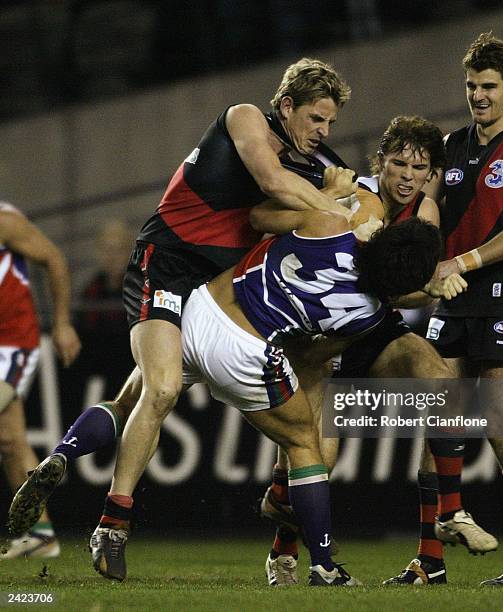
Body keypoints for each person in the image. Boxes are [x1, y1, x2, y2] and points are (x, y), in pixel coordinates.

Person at [8, 59, 356, 539]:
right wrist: (336, 203)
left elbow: (271, 212)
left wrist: (340, 197)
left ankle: (61, 457)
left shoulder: (309, 164)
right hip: (164, 263)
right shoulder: (245, 117)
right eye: (316, 118)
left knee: (135, 401)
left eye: (331, 122)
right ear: (287, 105)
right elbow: (273, 181)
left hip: (208, 291)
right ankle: (113, 524)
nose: (323, 130)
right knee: (164, 389)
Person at [90, 207, 442, 583]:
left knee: (140, 400)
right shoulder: (367, 316)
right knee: (305, 443)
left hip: (201, 308)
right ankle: (322, 565)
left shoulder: (330, 223)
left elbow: (258, 217)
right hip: (244, 348)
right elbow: (310, 356)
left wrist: (331, 200)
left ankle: (102, 508)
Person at [257, 115, 486, 586]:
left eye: (419, 167)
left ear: (431, 175)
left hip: (375, 327)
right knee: (319, 457)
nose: (407, 175)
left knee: (440, 380)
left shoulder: (425, 214)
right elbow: (272, 225)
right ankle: (283, 547)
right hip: (321, 334)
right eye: (398, 162)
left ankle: (452, 511)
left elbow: (411, 294)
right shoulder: (348, 195)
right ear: (379, 161)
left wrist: (432, 284)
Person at [384, 33, 503, 587]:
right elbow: (425, 204)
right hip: (453, 299)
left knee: (502, 423)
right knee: (439, 418)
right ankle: (429, 561)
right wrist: (426, 257)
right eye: (471, 86)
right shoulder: (452, 145)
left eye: (488, 87)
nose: (478, 96)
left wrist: (464, 262)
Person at [0, 202, 81, 559]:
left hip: (11, 344)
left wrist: (61, 323)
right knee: (10, 440)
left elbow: (53, 259)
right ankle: (41, 533)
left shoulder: (5, 222)